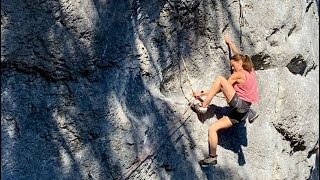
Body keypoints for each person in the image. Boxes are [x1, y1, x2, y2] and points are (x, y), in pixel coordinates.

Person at [192, 35, 259, 166]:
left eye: (233, 66)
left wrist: (202, 94)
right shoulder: (250, 71)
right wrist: (230, 44)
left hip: (240, 106)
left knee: (220, 79)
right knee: (212, 129)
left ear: (240, 64)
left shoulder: (238, 74)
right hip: (240, 115)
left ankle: (203, 107)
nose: (232, 69)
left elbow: (221, 87)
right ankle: (212, 157)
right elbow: (239, 56)